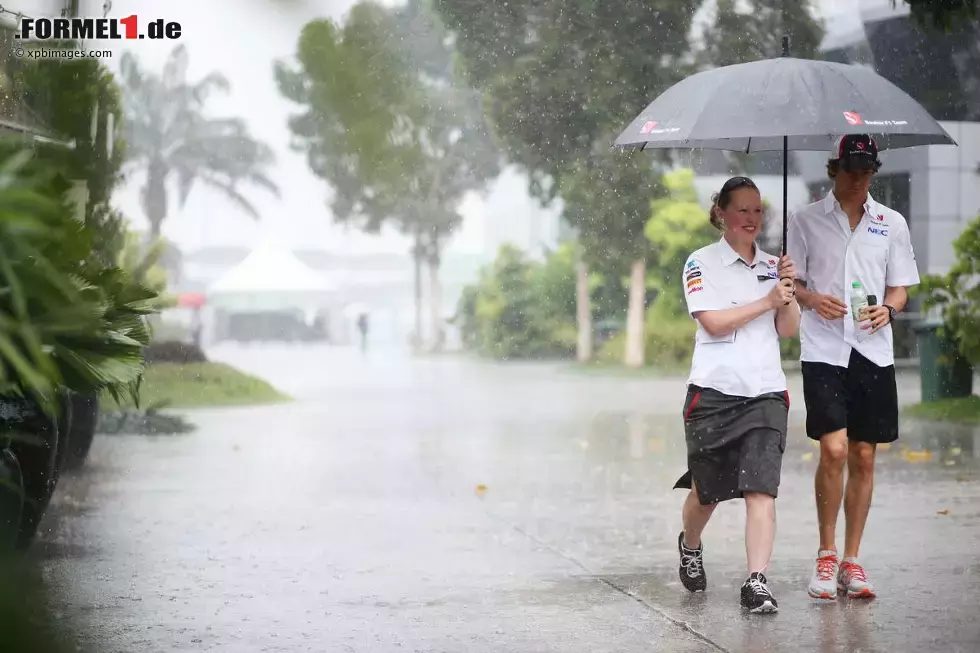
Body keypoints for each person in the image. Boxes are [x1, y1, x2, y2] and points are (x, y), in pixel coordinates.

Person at [786, 134, 920, 601]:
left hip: (872, 350)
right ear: (834, 169)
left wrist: (890, 309)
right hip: (823, 349)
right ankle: (825, 555)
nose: (860, 179)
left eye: (867, 171)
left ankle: (852, 561)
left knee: (865, 454)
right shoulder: (803, 220)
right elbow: (793, 284)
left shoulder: (891, 223)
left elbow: (900, 287)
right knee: (835, 450)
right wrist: (810, 297)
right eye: (852, 170)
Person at [674, 176, 801, 613]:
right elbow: (711, 322)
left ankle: (757, 581)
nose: (752, 219)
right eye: (742, 210)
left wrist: (787, 295)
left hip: (766, 393)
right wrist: (767, 301)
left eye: (757, 210)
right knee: (706, 493)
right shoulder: (700, 263)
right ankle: (690, 543)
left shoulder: (773, 267)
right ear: (722, 214)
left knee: (761, 490)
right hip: (713, 395)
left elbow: (787, 331)